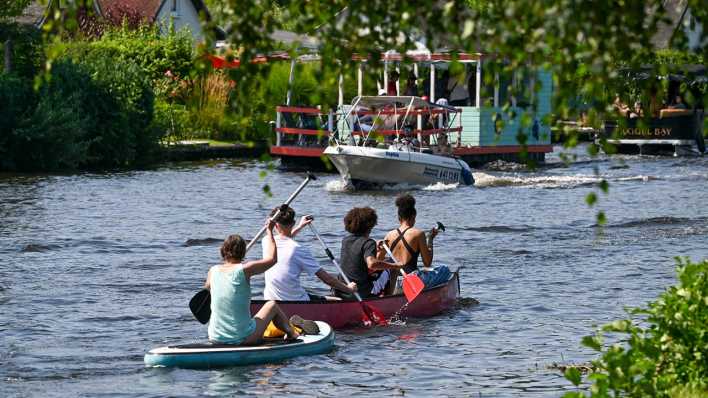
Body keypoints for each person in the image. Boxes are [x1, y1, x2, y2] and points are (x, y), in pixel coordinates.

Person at [205, 219, 316, 345]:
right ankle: (292, 333)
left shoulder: (212, 271)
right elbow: (273, 260)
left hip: (214, 337)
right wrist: (269, 231)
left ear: (223, 251)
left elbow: (206, 291)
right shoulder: (245, 269)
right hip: (242, 338)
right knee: (271, 305)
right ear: (243, 252)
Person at [263, 206, 357, 301]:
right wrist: (349, 289)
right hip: (294, 300)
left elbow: (285, 238)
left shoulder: (266, 241)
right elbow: (327, 279)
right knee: (338, 300)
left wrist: (300, 226)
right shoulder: (298, 249)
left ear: (274, 225)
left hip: (270, 299)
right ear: (293, 223)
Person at [383, 194, 450, 293]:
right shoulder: (418, 233)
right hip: (410, 282)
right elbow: (427, 263)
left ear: (399, 218)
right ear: (413, 216)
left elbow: (380, 260)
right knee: (445, 270)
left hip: (393, 282)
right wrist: (430, 239)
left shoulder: (389, 235)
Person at [336, 207, 403, 299]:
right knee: (393, 267)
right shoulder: (368, 242)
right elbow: (372, 264)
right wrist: (395, 265)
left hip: (344, 288)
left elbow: (357, 259)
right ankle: (388, 299)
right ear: (370, 225)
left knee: (386, 262)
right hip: (360, 291)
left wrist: (375, 248)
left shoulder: (345, 240)